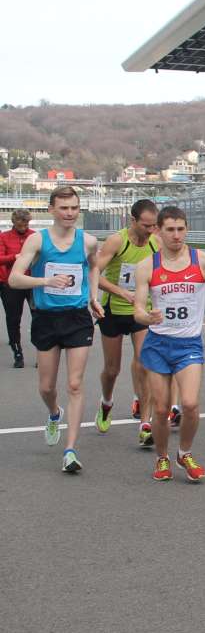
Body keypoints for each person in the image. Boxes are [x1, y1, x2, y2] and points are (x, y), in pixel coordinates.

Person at [7, 186, 104, 473]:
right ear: (51, 210)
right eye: (64, 208)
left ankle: (70, 450)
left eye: (74, 208)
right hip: (46, 318)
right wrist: (46, 282)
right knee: (47, 387)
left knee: (75, 384)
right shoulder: (38, 241)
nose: (70, 213)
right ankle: (53, 413)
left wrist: (93, 296)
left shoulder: (87, 241)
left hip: (76, 318)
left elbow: (95, 267)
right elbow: (14, 279)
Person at [131, 206, 205, 481]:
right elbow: (137, 309)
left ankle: (184, 453)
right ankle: (162, 457)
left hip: (189, 345)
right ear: (158, 231)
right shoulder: (148, 266)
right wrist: (147, 317)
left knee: (190, 404)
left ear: (187, 229)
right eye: (170, 230)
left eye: (181, 229)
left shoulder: (203, 260)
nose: (176, 235)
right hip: (158, 344)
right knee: (160, 409)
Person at [92, 199, 160, 442]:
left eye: (154, 225)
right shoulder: (117, 241)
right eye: (146, 225)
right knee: (112, 369)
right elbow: (94, 274)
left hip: (141, 311)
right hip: (114, 311)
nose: (151, 230)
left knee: (144, 363)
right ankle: (106, 402)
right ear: (132, 220)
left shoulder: (156, 242)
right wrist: (121, 292)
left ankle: (145, 423)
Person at [1, 209, 35, 367]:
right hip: (11, 283)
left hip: (33, 282)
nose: (23, 227)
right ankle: (18, 353)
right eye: (21, 224)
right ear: (14, 222)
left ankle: (42, 352)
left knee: (39, 316)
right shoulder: (4, 237)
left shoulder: (35, 236)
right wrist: (13, 257)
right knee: (13, 319)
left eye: (26, 224)